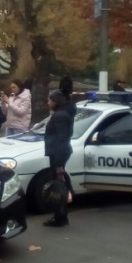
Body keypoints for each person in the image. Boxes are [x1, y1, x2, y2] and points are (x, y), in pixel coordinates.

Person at [43, 89, 74, 227]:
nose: (48, 102)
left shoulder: (60, 116)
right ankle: (60, 215)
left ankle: (60, 217)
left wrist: (58, 161)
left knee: (58, 187)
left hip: (58, 155)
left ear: (55, 102)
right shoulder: (61, 114)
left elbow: (61, 138)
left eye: (49, 100)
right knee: (59, 185)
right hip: (57, 154)